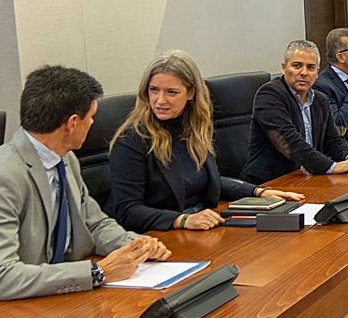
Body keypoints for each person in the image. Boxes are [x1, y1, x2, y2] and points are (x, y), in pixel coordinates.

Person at [0, 66, 171, 311]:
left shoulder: (64, 158)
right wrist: (97, 272)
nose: (94, 123)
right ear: (72, 123)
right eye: (91, 117)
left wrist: (135, 246)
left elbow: (94, 224)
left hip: (38, 297)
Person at [106, 50, 304, 233]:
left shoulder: (193, 129)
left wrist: (258, 192)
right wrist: (182, 220)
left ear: (191, 93)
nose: (160, 100)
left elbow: (208, 181)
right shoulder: (132, 140)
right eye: (154, 90)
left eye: (171, 92)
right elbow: (127, 210)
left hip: (201, 227)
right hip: (161, 234)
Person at [241, 40, 348, 183]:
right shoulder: (269, 94)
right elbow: (289, 142)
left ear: (317, 72)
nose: (303, 72)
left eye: (310, 67)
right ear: (284, 68)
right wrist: (332, 166)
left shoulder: (319, 99)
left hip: (306, 178)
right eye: (297, 66)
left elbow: (333, 140)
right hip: (271, 182)